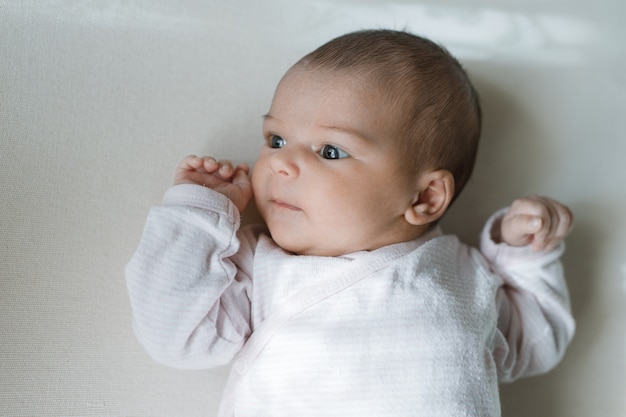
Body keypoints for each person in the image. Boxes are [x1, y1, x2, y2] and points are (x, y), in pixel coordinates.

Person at [126, 29, 575, 416]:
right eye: (276, 139)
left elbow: (537, 342)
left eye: (330, 151)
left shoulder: (467, 274)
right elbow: (173, 335)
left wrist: (524, 251)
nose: (281, 163)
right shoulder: (259, 265)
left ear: (425, 196)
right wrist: (197, 215)